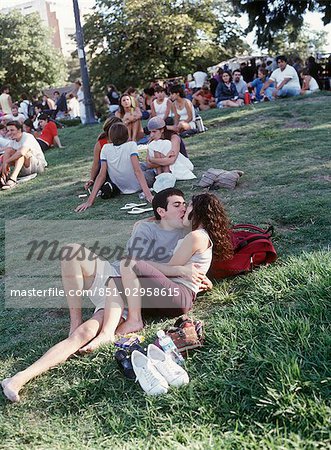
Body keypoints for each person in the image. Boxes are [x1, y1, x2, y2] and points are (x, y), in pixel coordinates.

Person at [1, 187, 204, 402]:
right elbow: (134, 264)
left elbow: (195, 261)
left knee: (85, 333)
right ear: (161, 212)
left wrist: (197, 278)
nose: (183, 208)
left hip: (124, 294)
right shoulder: (146, 229)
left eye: (184, 204)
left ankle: (18, 378)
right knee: (71, 251)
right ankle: (74, 320)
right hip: (113, 275)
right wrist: (179, 270)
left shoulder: (187, 233)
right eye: (177, 204)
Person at [80, 192, 233, 347]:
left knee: (128, 263)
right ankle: (105, 334)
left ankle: (134, 320)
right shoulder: (196, 235)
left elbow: (170, 268)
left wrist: (140, 263)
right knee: (117, 284)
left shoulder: (195, 236)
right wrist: (144, 223)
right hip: (170, 294)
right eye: (180, 206)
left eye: (187, 207)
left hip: (178, 296)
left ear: (197, 211)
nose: (184, 210)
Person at [75, 122, 153, 212]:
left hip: (121, 187)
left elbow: (101, 175)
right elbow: (137, 171)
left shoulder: (105, 148)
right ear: (127, 135)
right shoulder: (131, 145)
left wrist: (89, 201)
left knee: (143, 165)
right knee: (152, 172)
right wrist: (149, 195)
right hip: (136, 185)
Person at [0, 121, 47, 190]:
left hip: (38, 166)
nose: (9, 133)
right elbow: (7, 153)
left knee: (21, 153)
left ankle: (13, 179)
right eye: (8, 130)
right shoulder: (13, 141)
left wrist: (6, 162)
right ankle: (4, 176)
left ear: (19, 130)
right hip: (26, 167)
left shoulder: (27, 136)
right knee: (8, 151)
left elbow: (22, 152)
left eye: (12, 130)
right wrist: (4, 164)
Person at [83, 116, 123, 191]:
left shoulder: (124, 141)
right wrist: (91, 179)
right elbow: (96, 164)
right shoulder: (100, 144)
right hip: (106, 172)